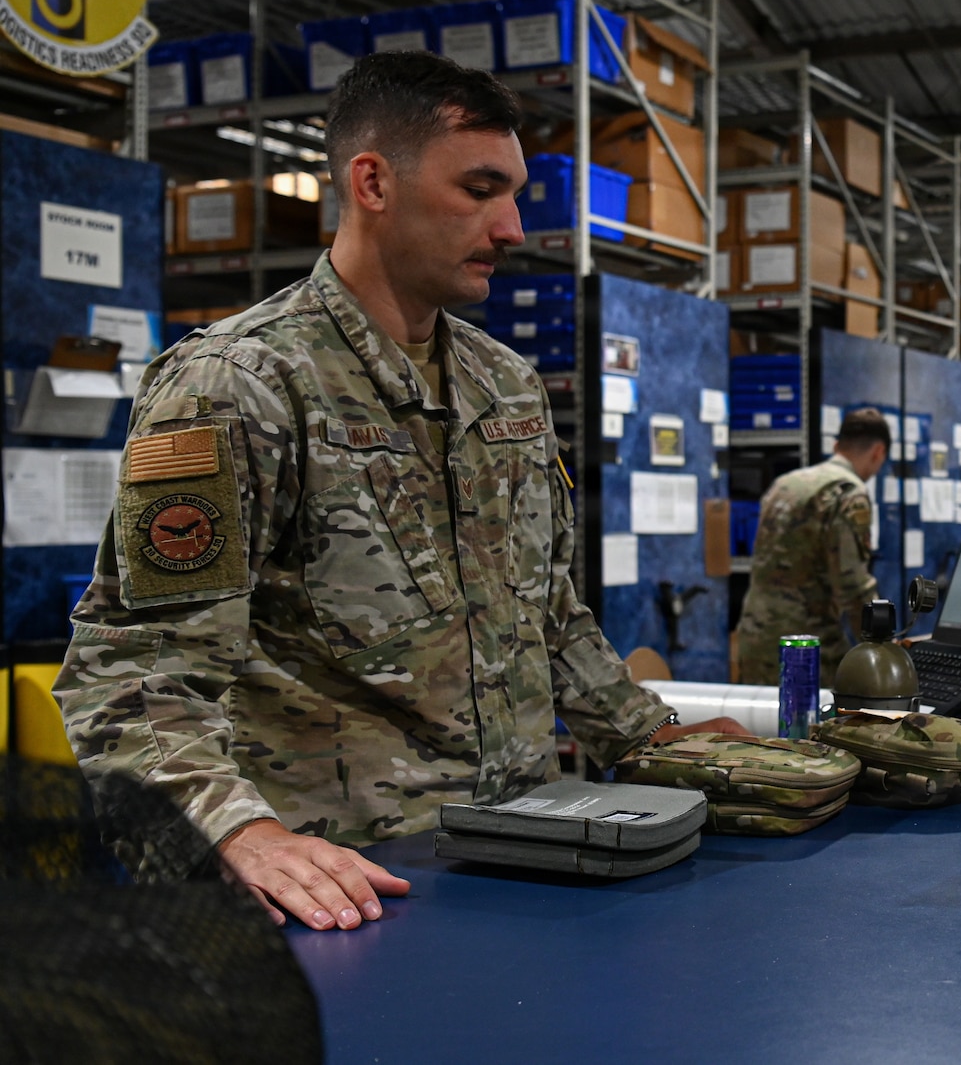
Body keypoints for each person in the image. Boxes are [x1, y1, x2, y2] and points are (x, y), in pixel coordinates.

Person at [54, 51, 743, 933]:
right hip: (348, 890)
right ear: (372, 183)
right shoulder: (242, 383)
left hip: (532, 863)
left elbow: (548, 616)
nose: (512, 227)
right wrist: (236, 831)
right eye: (481, 189)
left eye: (515, 192)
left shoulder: (507, 386)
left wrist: (647, 737)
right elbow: (130, 673)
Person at [735, 411, 891, 684]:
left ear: (836, 446)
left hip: (755, 637)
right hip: (805, 647)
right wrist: (882, 653)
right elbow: (853, 586)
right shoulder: (848, 493)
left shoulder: (786, 483)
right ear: (878, 452)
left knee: (760, 724)